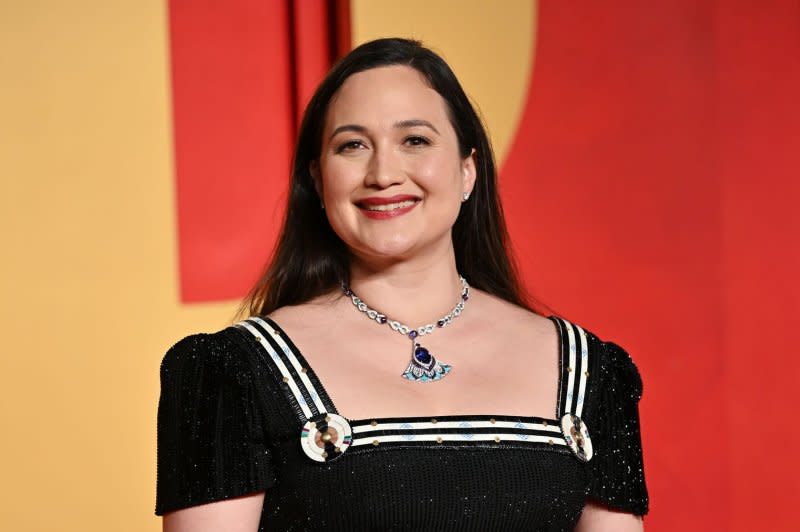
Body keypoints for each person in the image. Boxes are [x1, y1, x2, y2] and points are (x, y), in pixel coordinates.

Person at [155, 37, 649, 531]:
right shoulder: (231, 372)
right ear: (318, 179)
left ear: (467, 170)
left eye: (415, 140)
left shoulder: (590, 374)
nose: (384, 173)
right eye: (352, 146)